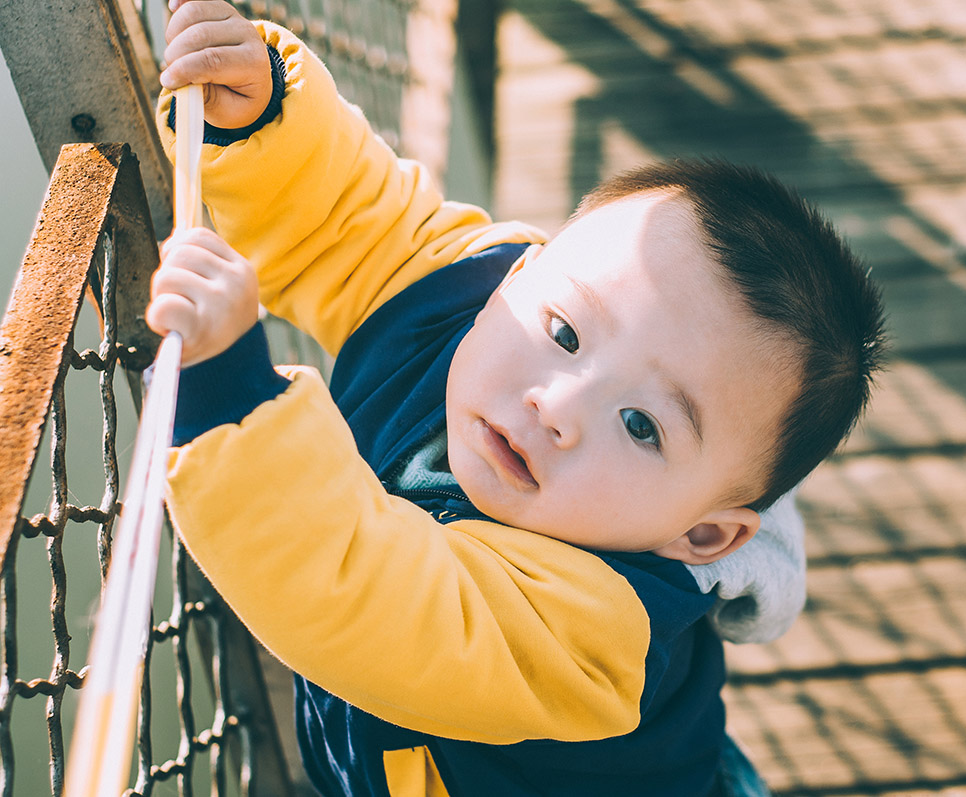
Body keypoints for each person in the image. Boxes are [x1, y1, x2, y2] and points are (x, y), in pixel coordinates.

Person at [148, 2, 886, 795]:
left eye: (641, 425)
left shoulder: (595, 634)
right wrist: (263, 120)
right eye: (567, 333)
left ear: (701, 534)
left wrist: (232, 396)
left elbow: (372, 595)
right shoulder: (472, 292)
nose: (557, 405)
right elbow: (350, 223)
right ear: (523, 270)